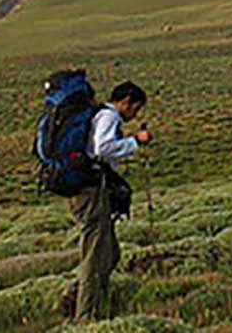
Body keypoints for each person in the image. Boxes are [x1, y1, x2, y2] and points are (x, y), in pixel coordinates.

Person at [66, 80, 152, 322]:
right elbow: (102, 149)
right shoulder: (109, 117)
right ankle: (85, 317)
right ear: (125, 102)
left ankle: (97, 303)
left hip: (88, 190)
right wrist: (135, 141)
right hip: (91, 191)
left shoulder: (98, 116)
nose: (135, 114)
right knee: (95, 256)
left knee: (110, 253)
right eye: (135, 108)